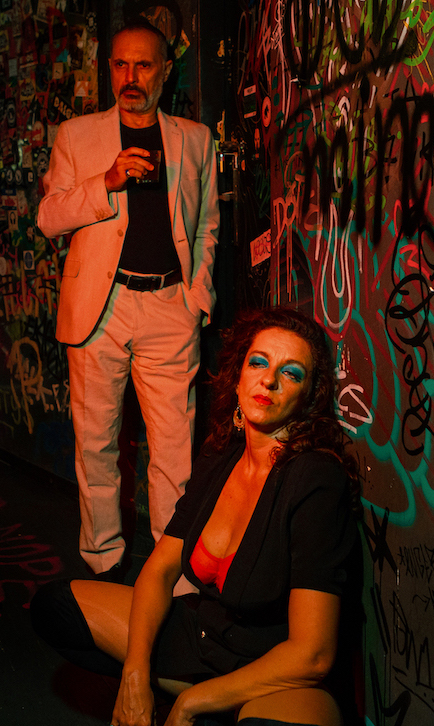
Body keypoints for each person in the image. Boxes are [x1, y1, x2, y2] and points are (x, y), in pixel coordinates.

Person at [31, 308, 361, 726]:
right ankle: (199, 700)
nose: (269, 380)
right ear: (238, 377)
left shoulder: (315, 478)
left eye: (291, 373)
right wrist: (135, 674)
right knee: (56, 606)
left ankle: (210, 705)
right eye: (258, 363)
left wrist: (191, 702)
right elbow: (159, 570)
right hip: (201, 639)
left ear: (308, 397)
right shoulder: (221, 454)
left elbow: (313, 654)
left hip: (275, 673)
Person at [36, 18, 220, 580]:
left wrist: (197, 295)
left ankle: (170, 567)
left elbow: (207, 225)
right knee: (95, 445)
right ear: (109, 68)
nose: (130, 77)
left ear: (165, 71)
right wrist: (107, 182)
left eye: (143, 65)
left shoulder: (195, 139)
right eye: (120, 64)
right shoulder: (77, 136)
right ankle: (104, 559)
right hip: (101, 308)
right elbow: (49, 218)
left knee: (174, 451)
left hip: (170, 307)